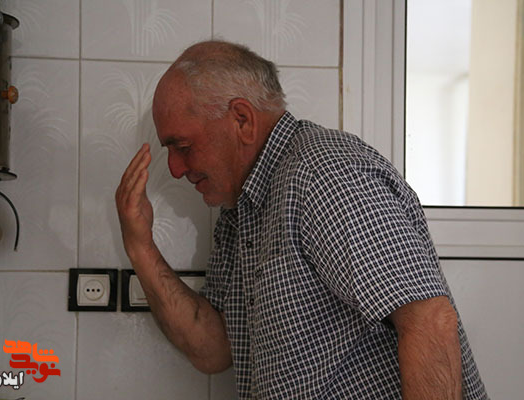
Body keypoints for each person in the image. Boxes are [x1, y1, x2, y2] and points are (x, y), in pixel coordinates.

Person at [115, 40, 488, 399]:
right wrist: (140, 245)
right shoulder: (240, 211)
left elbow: (429, 321)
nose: (175, 169)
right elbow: (213, 350)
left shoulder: (324, 174)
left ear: (242, 120)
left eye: (183, 147)